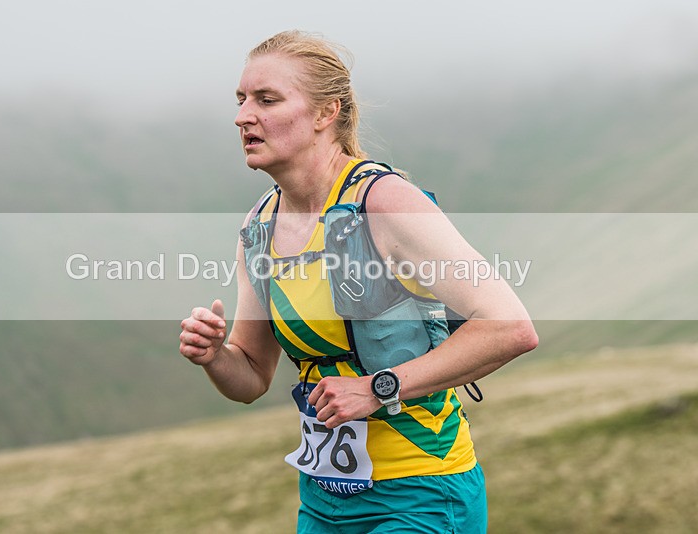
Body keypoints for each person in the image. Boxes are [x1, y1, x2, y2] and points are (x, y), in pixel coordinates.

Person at [179, 30, 538, 533]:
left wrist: (378, 388)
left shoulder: (385, 201)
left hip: (422, 492)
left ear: (327, 113)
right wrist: (215, 356)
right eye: (240, 100)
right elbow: (252, 378)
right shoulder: (257, 228)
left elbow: (511, 327)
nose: (243, 116)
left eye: (267, 99)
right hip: (323, 501)